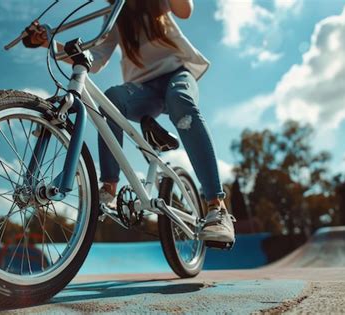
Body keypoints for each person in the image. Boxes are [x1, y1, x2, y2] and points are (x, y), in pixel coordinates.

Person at [22, 0, 235, 244]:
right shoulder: (115, 14)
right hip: (144, 92)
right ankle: (109, 188)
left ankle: (216, 207)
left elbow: (185, 11)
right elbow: (97, 58)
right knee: (112, 98)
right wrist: (49, 42)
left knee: (180, 102)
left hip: (177, 75)